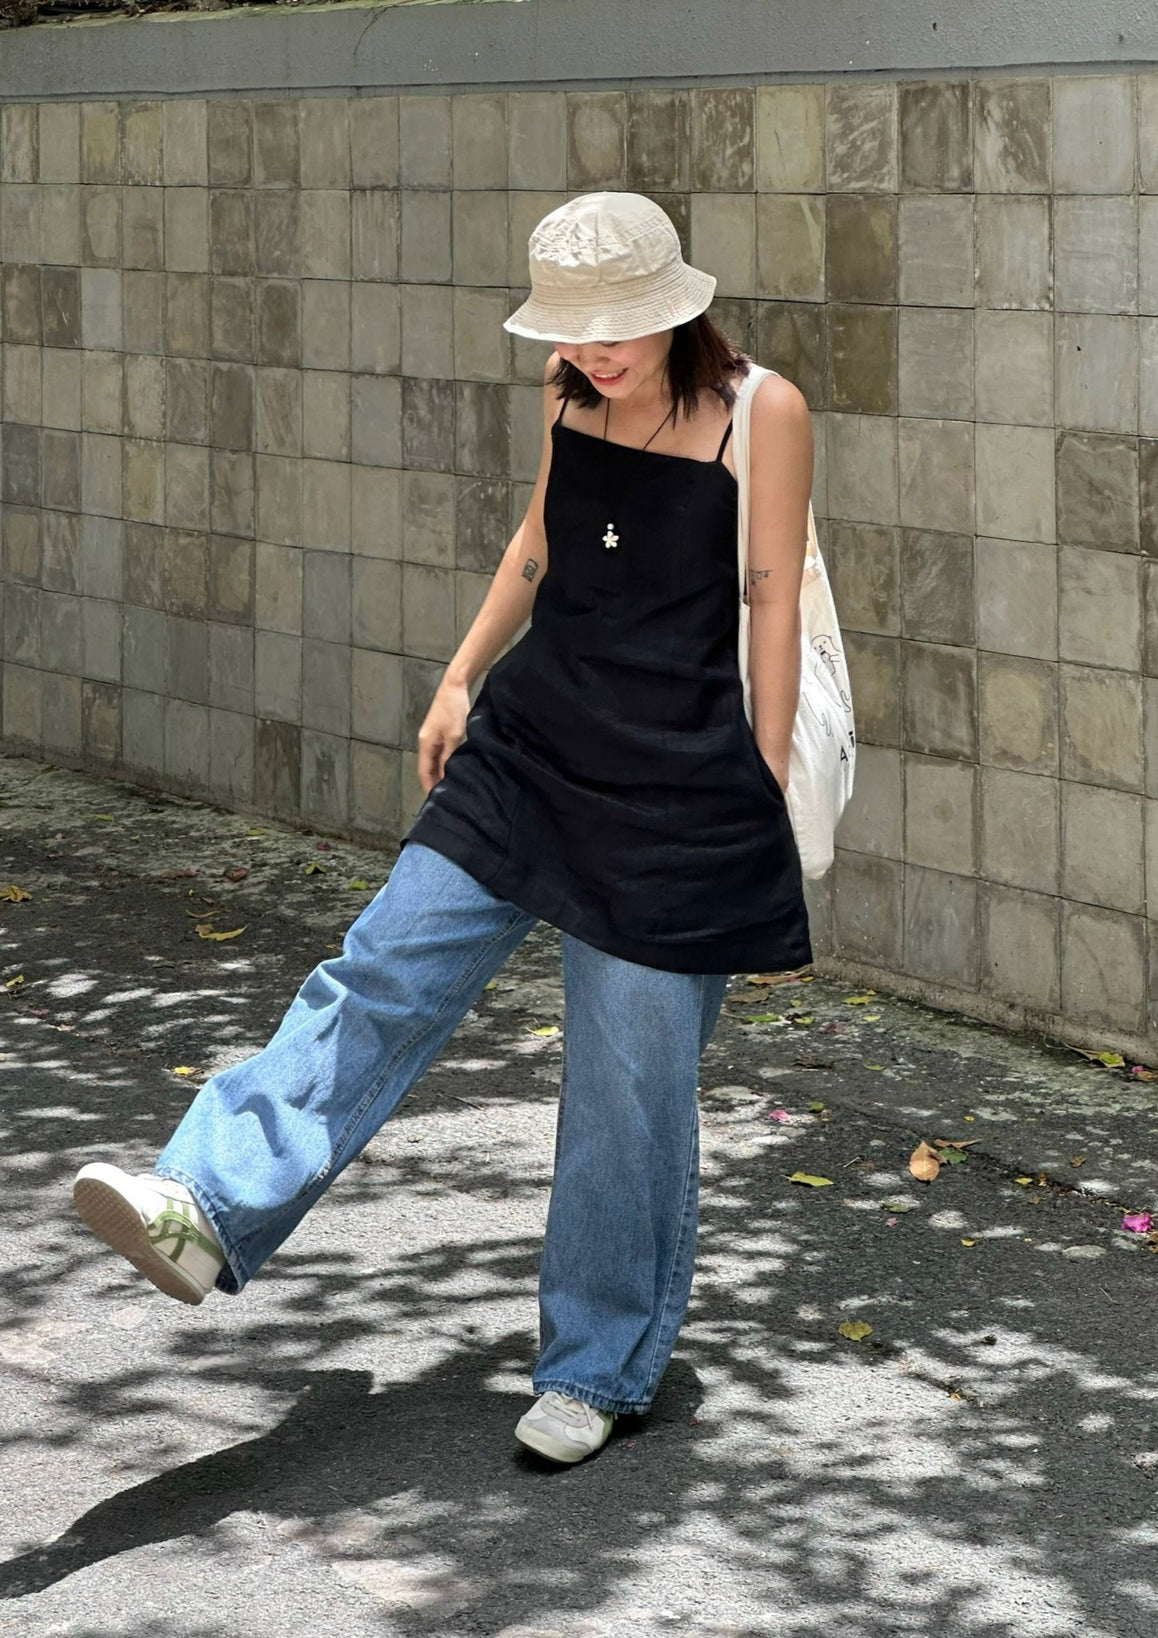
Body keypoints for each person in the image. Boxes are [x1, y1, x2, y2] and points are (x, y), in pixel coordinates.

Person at [72, 192, 814, 1466]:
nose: (595, 353)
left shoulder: (763, 411)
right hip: (532, 751)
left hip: (673, 794)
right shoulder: (565, 390)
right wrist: (462, 675)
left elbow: (774, 601)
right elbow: (539, 543)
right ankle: (207, 1199)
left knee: (628, 1095)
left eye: (617, 330)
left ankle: (598, 1366)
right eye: (575, 332)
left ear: (677, 305)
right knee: (384, 962)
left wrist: (752, 785)